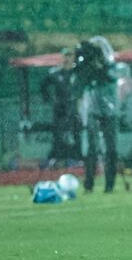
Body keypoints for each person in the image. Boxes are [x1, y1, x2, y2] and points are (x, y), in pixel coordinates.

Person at [74, 36, 118, 193]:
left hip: (109, 111)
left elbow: (109, 77)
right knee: (92, 148)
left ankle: (109, 184)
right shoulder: (87, 67)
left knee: (110, 149)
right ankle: (89, 183)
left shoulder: (111, 67)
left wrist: (99, 66)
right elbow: (79, 80)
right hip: (93, 110)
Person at [39, 48, 81, 165]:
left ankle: (76, 158)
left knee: (76, 132)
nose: (68, 59)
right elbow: (43, 85)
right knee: (58, 134)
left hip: (74, 107)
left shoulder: (77, 72)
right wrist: (48, 98)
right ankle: (58, 158)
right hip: (60, 108)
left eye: (70, 56)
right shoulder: (55, 73)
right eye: (66, 56)